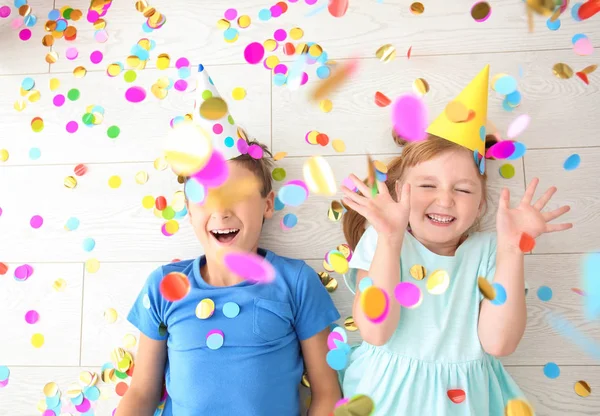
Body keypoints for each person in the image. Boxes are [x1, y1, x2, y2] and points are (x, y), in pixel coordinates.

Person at [338, 65, 573, 415]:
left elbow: (500, 342)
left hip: (467, 401)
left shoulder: (490, 252)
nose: (445, 200)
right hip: (386, 395)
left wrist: (513, 250)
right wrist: (389, 239)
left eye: (462, 189)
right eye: (428, 186)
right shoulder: (385, 239)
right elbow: (375, 332)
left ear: (481, 203)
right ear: (401, 191)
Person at [116, 64, 341, 416]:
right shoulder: (164, 286)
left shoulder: (296, 282)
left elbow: (327, 392)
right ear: (189, 210)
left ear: (267, 205)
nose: (221, 211)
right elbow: (142, 393)